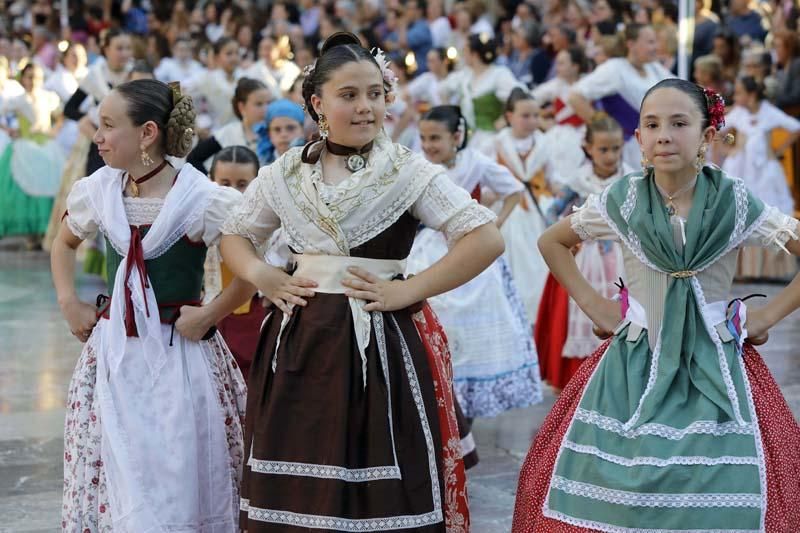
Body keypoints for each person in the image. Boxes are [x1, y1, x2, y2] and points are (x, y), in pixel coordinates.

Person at [219, 32, 505, 532]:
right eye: (349, 95)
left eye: (375, 93)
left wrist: (408, 289)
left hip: (380, 341)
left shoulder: (406, 171)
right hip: (300, 341)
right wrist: (264, 274)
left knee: (380, 467)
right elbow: (236, 236)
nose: (366, 107)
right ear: (318, 103)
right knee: (297, 463)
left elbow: (483, 238)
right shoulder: (287, 173)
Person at [512, 79, 800, 532]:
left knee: (718, 483)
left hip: (716, 359)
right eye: (652, 124)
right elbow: (552, 241)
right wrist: (595, 305)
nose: (664, 134)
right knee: (620, 486)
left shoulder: (735, 199)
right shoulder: (623, 198)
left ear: (708, 135)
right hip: (634, 360)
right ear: (639, 139)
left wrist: (766, 315)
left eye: (679, 123)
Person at [51, 79, 249, 531]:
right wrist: (69, 303)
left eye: (107, 126)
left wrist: (210, 314)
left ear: (147, 133)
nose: (97, 136)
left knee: (176, 459)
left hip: (181, 354)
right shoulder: (99, 190)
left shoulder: (200, 198)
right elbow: (63, 245)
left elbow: (249, 271)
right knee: (119, 460)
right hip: (115, 353)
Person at [409, 104, 542, 421]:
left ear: (457, 136)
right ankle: (438, 389)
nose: (428, 146)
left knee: (472, 324)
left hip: (468, 250)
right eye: (424, 138)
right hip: (428, 246)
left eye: (435, 138)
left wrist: (494, 224)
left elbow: (514, 190)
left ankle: (464, 401)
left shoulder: (477, 163)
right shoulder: (418, 166)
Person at [535, 113, 631, 391]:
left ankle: (620, 372)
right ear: (588, 148)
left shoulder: (631, 179)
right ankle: (580, 377)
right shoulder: (579, 181)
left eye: (615, 148)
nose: (610, 155)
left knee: (625, 309)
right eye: (603, 149)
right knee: (582, 308)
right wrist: (567, 239)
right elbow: (553, 210)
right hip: (586, 257)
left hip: (624, 257)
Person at [721, 75, 800, 280]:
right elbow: (718, 129)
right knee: (739, 210)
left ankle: (769, 270)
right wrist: (727, 148)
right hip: (741, 168)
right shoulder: (738, 113)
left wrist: (778, 148)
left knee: (768, 208)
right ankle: (742, 270)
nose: (736, 96)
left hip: (765, 171)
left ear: (751, 95)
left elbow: (795, 127)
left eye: (739, 93)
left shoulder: (769, 112)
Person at [567, 23, 673, 168]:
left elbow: (683, 89)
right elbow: (575, 96)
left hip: (654, 144)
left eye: (655, 41)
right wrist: (602, 125)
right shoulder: (615, 68)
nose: (655, 47)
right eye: (650, 42)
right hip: (625, 148)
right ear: (631, 44)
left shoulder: (654, 68)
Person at [204, 145, 266, 383]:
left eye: (242, 184)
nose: (234, 192)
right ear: (211, 181)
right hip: (212, 311)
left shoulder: (268, 219)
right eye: (225, 184)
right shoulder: (200, 217)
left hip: (257, 312)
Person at [493, 88, 552, 324]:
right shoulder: (497, 143)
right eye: (525, 116)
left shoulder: (545, 143)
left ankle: (538, 313)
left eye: (535, 115)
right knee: (513, 254)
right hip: (509, 208)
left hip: (538, 208)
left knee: (538, 262)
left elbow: (552, 178)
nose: (532, 121)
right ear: (509, 117)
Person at [0, 63, 63, 244]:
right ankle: (32, 234)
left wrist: (55, 130)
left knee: (48, 184)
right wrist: (10, 130)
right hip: (25, 147)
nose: (33, 80)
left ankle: (46, 231)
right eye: (29, 76)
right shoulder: (19, 99)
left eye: (36, 76)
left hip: (47, 146)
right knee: (27, 186)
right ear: (23, 79)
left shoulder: (48, 97)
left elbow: (61, 115)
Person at [439, 32, 524, 155]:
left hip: (490, 138)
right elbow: (443, 89)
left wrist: (505, 119)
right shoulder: (466, 74)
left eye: (466, 50)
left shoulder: (499, 74)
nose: (463, 54)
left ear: (475, 54)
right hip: (466, 137)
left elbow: (518, 97)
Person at [186, 77, 270, 172]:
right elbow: (193, 159)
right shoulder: (228, 133)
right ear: (241, 106)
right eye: (258, 104)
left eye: (268, 103)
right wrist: (211, 184)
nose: (266, 109)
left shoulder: (274, 130)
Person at [254, 97, 306, 165]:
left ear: (302, 130)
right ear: (269, 133)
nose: (283, 134)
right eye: (277, 129)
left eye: (290, 128)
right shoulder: (260, 164)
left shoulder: (314, 161)